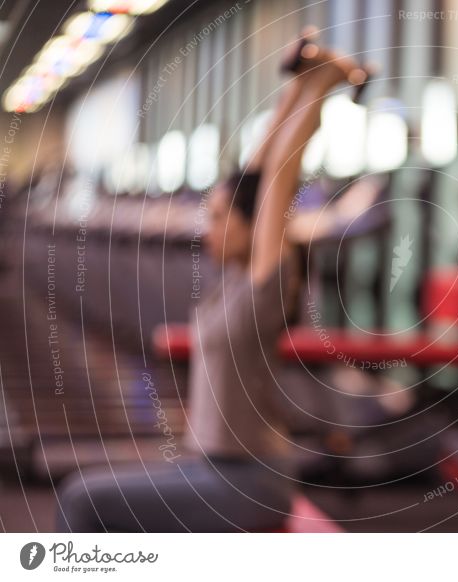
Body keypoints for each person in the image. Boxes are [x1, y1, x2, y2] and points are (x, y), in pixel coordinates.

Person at [54, 30, 370, 532]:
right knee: (93, 493)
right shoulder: (235, 279)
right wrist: (298, 84)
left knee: (81, 499)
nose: (209, 227)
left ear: (255, 228)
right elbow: (253, 174)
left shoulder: (267, 282)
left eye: (222, 217)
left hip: (249, 482)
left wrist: (323, 86)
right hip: (211, 467)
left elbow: (274, 180)